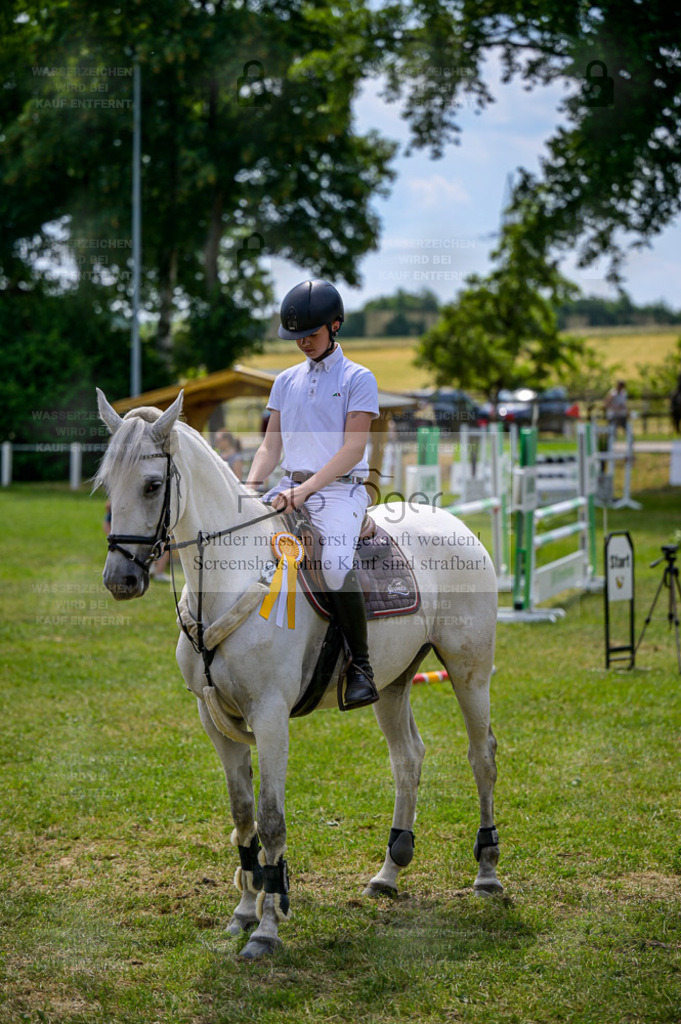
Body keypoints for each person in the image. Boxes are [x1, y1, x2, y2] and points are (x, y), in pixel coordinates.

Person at [246, 279, 380, 710]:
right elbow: (271, 446)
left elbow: (353, 450)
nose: (303, 342)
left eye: (312, 333)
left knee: (337, 565)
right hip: (288, 487)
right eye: (296, 336)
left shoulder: (359, 378)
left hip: (340, 491)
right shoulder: (284, 380)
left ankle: (361, 666)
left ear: (335, 324)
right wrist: (250, 488)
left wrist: (303, 491)